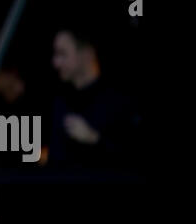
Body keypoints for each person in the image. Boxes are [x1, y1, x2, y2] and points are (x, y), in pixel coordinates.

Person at [48, 27, 140, 171]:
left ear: (87, 54)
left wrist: (94, 139)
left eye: (63, 54)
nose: (56, 63)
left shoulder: (118, 102)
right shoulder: (60, 102)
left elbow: (133, 157)